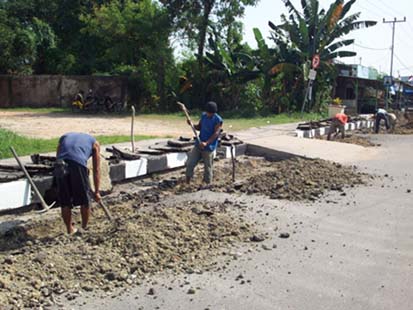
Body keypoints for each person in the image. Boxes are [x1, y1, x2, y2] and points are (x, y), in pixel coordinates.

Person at [55, 133, 101, 234]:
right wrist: (97, 191)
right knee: (84, 199)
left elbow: (58, 154)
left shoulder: (64, 137)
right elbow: (96, 169)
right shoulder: (95, 144)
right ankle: (83, 228)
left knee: (65, 200)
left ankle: (69, 229)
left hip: (60, 163)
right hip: (78, 163)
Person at [185, 101, 223, 184]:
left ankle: (207, 184)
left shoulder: (218, 120)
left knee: (208, 168)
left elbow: (216, 133)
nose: (209, 115)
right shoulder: (204, 116)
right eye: (208, 113)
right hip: (199, 144)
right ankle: (187, 181)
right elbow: (199, 127)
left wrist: (206, 143)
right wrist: (192, 124)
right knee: (190, 163)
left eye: (211, 113)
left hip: (209, 147)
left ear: (214, 113)